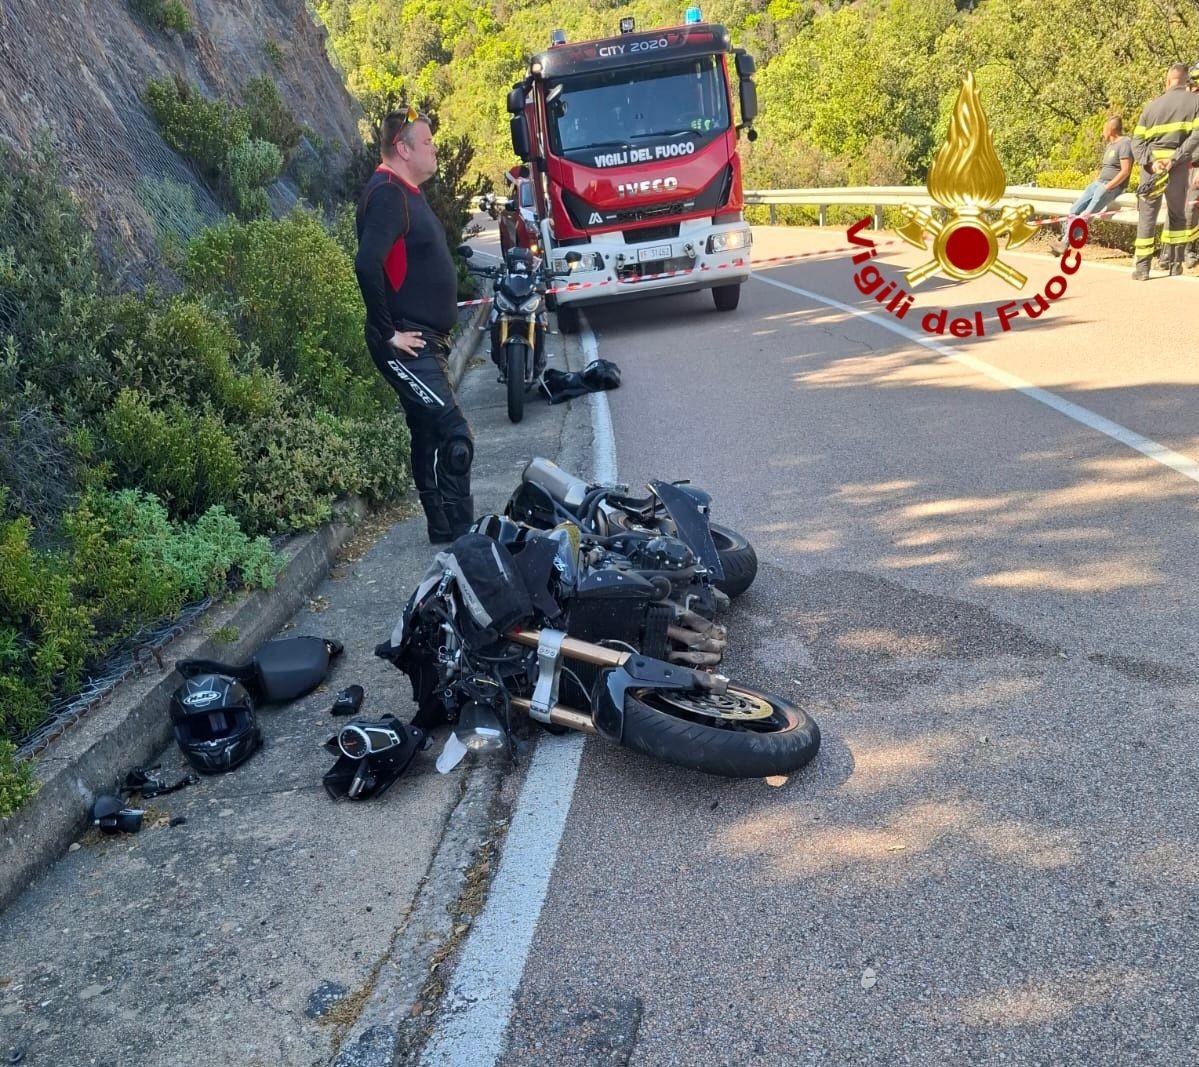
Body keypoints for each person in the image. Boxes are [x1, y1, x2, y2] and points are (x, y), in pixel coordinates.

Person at [354, 107, 474, 543]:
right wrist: (388, 333)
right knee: (456, 438)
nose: (434, 148)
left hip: (425, 341)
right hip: (407, 343)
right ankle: (464, 535)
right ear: (402, 149)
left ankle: (442, 529)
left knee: (426, 433)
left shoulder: (404, 192)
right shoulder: (389, 194)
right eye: (427, 142)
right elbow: (366, 264)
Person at [1129, 63, 1199, 280]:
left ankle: (1142, 268)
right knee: (1177, 215)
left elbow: (1136, 141)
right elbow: (1196, 137)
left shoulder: (1151, 106)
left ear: (1168, 81)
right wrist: (1174, 159)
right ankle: (1175, 265)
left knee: (1147, 216)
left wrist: (1151, 162)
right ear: (1187, 81)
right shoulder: (1195, 102)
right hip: (1177, 169)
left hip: (1151, 170)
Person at [1050, 117, 1131, 256]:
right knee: (1074, 210)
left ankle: (1064, 243)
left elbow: (1125, 171)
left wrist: (1108, 187)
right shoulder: (1110, 145)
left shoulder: (1125, 143)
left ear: (1111, 129)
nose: (1102, 132)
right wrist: (1098, 182)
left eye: (1104, 128)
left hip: (1111, 187)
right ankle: (1066, 240)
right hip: (1099, 183)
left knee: (1087, 214)